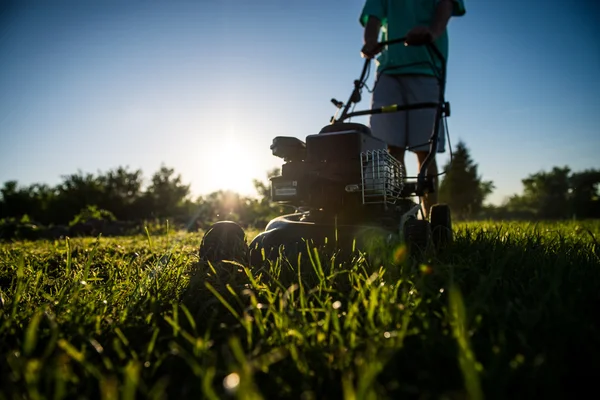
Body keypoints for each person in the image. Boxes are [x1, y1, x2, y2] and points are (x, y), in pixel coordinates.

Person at [359, 0, 466, 219]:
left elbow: (445, 6)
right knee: (391, 149)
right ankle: (399, 216)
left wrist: (431, 32)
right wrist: (371, 41)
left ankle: (430, 217)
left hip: (426, 66)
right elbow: (374, 16)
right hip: (389, 70)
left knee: (425, 150)